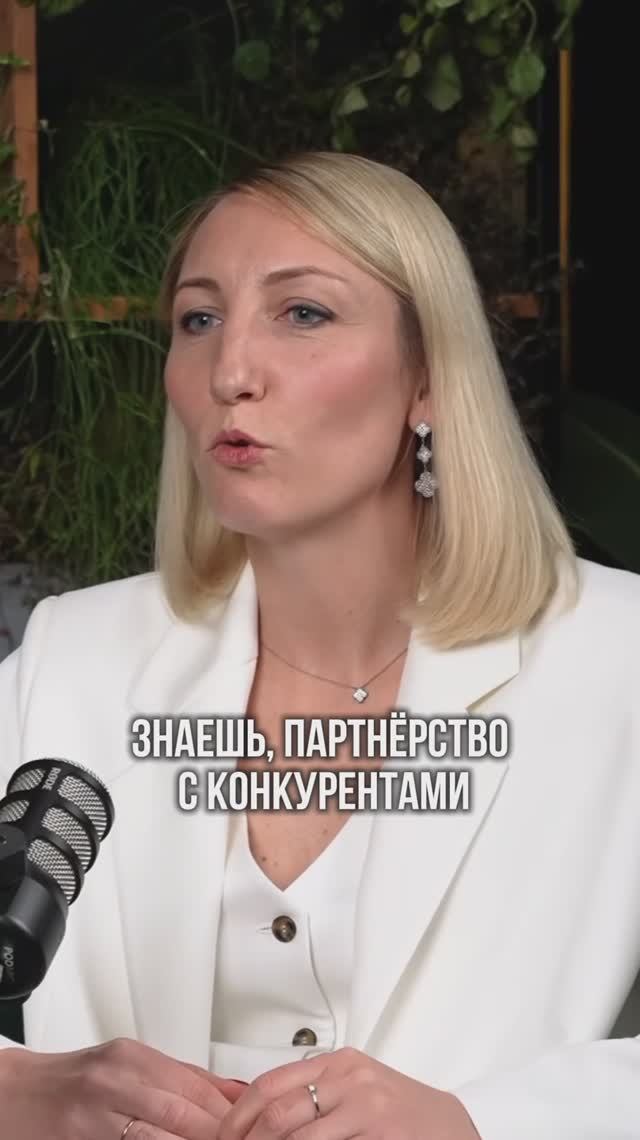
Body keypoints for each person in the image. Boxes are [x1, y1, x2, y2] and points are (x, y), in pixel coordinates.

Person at [0, 150, 638, 1140]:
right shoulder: (70, 660)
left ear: (427, 378)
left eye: (302, 313)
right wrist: (22, 1093)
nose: (231, 372)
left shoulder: (614, 657)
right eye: (198, 320)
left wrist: (477, 1123)